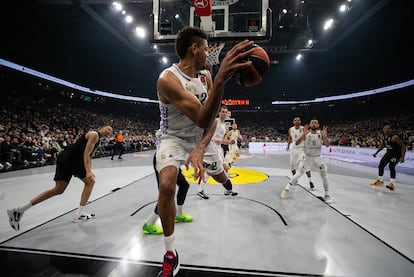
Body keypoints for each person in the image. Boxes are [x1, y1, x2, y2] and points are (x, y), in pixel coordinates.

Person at [154, 25, 254, 277]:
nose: (210, 54)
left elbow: (210, 122)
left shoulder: (205, 77)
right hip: (173, 138)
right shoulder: (168, 79)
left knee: (220, 176)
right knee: (167, 185)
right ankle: (170, 253)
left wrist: (200, 149)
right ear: (194, 48)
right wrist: (221, 79)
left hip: (202, 137)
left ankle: (227, 184)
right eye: (207, 48)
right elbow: (200, 116)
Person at [7, 125, 113, 231]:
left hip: (64, 157)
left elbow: (90, 156)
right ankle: (79, 214)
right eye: (108, 129)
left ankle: (19, 210)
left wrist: (89, 170)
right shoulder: (94, 135)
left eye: (111, 131)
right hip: (71, 159)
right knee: (90, 182)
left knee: (58, 189)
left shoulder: (98, 141)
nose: (110, 132)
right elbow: (86, 154)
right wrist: (88, 171)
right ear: (103, 128)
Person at [281, 119, 332, 203]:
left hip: (317, 157)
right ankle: (286, 189)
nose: (314, 124)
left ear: (318, 125)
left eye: (316, 122)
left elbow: (327, 145)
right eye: (312, 122)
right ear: (310, 125)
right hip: (307, 157)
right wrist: (303, 135)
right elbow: (297, 143)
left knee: (324, 174)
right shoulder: (306, 133)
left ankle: (326, 194)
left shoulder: (321, 134)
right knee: (299, 173)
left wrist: (325, 137)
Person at [142, 153, 193, 235]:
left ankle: (179, 214)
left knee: (184, 185)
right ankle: (149, 224)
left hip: (173, 159)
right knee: (166, 194)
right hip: (164, 158)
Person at [197, 106, 236, 199]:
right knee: (212, 170)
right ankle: (200, 190)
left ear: (227, 114)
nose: (224, 113)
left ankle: (228, 189)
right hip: (211, 148)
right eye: (222, 111)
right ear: (219, 112)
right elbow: (208, 135)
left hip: (218, 149)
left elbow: (221, 139)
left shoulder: (225, 126)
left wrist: (229, 142)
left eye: (225, 112)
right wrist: (214, 140)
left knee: (224, 168)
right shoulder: (215, 121)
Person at [370, 124, 406, 191]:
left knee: (391, 167)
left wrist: (402, 157)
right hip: (388, 153)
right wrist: (376, 153)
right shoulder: (383, 136)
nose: (385, 129)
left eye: (387, 128)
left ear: (390, 130)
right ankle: (380, 181)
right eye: (384, 128)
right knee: (381, 165)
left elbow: (403, 146)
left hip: (396, 154)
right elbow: (382, 146)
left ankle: (392, 184)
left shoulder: (395, 137)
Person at [286, 116, 314, 190]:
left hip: (302, 149)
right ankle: (295, 180)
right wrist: (288, 145)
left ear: (300, 122)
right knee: (292, 165)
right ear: (293, 122)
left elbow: (307, 138)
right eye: (295, 120)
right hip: (294, 149)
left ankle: (310, 181)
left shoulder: (303, 129)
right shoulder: (290, 129)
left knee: (305, 166)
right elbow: (290, 137)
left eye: (298, 120)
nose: (297, 121)